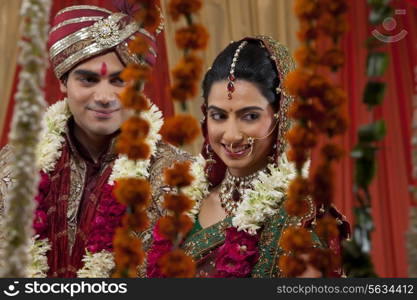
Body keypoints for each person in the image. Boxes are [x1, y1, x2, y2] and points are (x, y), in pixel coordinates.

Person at [0, 4, 189, 277]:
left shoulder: (176, 176)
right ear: (63, 82)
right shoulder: (13, 166)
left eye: (119, 81)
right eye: (88, 80)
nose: (104, 96)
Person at [147, 35, 350, 278]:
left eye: (250, 116)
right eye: (219, 116)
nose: (232, 136)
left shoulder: (297, 218)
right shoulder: (181, 201)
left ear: (280, 115)